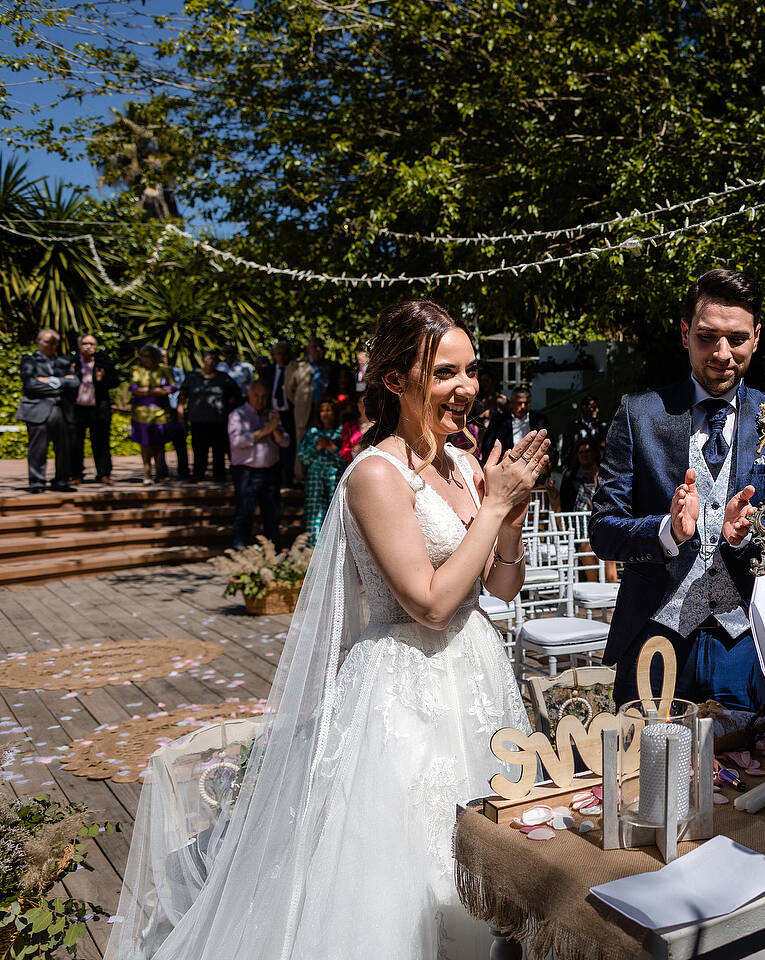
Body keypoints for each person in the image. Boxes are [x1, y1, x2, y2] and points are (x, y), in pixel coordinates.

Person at [105, 298, 545, 960]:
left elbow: (499, 587)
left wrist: (506, 523)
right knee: (400, 873)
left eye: (471, 371)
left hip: (475, 674)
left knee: (489, 860)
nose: (467, 389)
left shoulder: (464, 462)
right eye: (446, 373)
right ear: (395, 381)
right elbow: (426, 603)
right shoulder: (375, 474)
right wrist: (495, 509)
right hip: (400, 688)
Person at [591, 267, 765, 711]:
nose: (722, 353)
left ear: (756, 337)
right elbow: (603, 530)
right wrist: (667, 532)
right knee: (646, 772)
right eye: (706, 337)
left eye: (736, 339)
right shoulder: (640, 414)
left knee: (752, 773)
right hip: (655, 634)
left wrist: (752, 534)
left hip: (746, 640)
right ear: (684, 333)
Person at [227, 381, 290, 548]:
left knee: (272, 514)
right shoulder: (237, 415)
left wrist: (274, 429)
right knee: (244, 513)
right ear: (248, 394)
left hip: (270, 471)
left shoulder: (271, 414)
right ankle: (240, 552)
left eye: (264, 397)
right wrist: (264, 431)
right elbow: (237, 441)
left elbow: (285, 442)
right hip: (246, 472)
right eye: (257, 396)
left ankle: (273, 553)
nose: (260, 400)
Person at [18, 328, 78, 493]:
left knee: (64, 448)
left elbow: (74, 383)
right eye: (47, 342)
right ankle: (37, 481)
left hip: (61, 410)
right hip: (38, 410)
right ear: (39, 342)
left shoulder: (63, 362)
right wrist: (61, 384)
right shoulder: (29, 361)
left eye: (54, 343)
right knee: (38, 448)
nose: (51, 346)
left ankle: (61, 481)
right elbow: (31, 385)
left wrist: (51, 381)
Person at [180, 349, 244, 483]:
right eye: (209, 359)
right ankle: (198, 473)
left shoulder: (223, 378)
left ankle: (219, 475)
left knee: (218, 449)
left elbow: (237, 392)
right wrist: (180, 410)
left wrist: (231, 400)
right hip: (198, 419)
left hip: (218, 420)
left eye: (214, 360)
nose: (211, 362)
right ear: (203, 360)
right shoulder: (193, 376)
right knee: (198, 449)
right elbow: (183, 394)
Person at [66, 333, 118, 485]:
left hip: (99, 409)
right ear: (79, 346)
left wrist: (102, 380)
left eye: (92, 344)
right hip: (77, 409)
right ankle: (76, 474)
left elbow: (115, 382)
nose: (88, 346)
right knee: (75, 443)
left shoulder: (104, 363)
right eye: (85, 343)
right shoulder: (72, 362)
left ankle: (104, 474)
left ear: (96, 346)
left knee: (101, 442)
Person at [298, 397, 346, 536]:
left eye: (329, 410)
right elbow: (303, 457)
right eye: (322, 410)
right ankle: (314, 547)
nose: (325, 414)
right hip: (315, 476)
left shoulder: (340, 432)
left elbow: (345, 460)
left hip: (334, 475)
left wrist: (331, 447)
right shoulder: (313, 433)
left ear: (335, 413)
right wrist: (318, 447)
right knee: (315, 512)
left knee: (334, 511)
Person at [129, 344, 175, 486]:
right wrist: (157, 391)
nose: (144, 359)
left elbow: (171, 388)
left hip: (161, 413)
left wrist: (148, 391)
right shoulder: (136, 370)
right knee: (145, 444)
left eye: (147, 356)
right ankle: (147, 473)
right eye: (142, 356)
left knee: (159, 445)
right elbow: (135, 389)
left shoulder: (165, 370)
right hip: (141, 414)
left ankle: (160, 472)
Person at [258, 341, 299, 486]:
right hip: (272, 413)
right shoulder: (267, 371)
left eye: (283, 353)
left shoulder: (294, 370)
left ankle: (287, 478)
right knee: (273, 445)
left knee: (289, 446)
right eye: (277, 354)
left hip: (290, 413)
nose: (280, 357)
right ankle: (273, 479)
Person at [482, 386, 549, 458]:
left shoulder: (539, 420)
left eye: (526, 403)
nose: (523, 406)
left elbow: (549, 444)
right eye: (519, 403)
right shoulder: (499, 420)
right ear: (512, 402)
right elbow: (488, 444)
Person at [159, 349, 192, 482]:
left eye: (164, 356)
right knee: (159, 443)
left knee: (180, 442)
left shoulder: (176, 372)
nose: (162, 359)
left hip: (175, 410)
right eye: (159, 357)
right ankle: (162, 471)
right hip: (159, 412)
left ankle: (183, 471)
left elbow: (182, 392)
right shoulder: (151, 374)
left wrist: (180, 409)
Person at [563, 394, 609, 468]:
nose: (597, 410)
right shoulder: (572, 427)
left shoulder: (602, 427)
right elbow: (566, 450)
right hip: (576, 469)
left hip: (597, 468)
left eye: (597, 407)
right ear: (584, 407)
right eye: (593, 407)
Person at [561, 436, 602, 512]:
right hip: (576, 517)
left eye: (587, 451)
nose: (584, 455)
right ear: (577, 455)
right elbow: (565, 500)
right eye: (581, 452)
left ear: (594, 453)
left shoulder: (602, 472)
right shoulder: (570, 475)